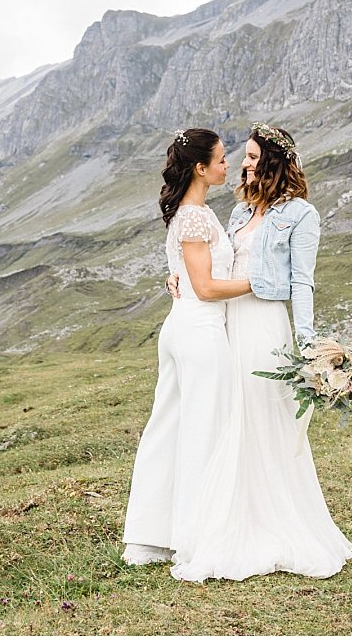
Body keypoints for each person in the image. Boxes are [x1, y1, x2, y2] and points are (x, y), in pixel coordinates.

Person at [170, 123, 351, 581]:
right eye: (242, 156)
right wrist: (178, 280)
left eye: (251, 156)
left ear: (272, 160)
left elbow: (303, 282)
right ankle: (233, 515)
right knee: (233, 416)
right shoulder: (237, 212)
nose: (243, 163)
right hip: (229, 321)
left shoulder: (301, 215)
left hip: (265, 325)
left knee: (263, 415)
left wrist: (309, 345)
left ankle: (274, 521)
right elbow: (211, 266)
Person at [120, 128, 252, 566]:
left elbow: (189, 275)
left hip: (183, 327)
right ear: (200, 168)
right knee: (202, 432)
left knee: (170, 428)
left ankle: (151, 536)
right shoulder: (195, 217)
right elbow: (207, 287)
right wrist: (259, 283)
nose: (227, 165)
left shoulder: (191, 213)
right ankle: (197, 539)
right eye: (220, 159)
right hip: (199, 333)